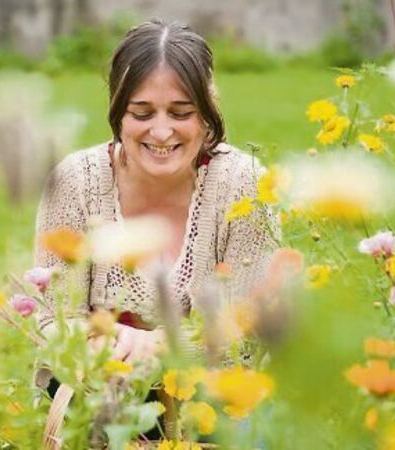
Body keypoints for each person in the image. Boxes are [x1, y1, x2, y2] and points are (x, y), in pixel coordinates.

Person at [34, 19, 278, 380]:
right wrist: (110, 344)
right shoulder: (75, 181)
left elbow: (249, 328)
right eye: (142, 113)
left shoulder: (244, 184)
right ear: (118, 112)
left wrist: (160, 346)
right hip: (99, 391)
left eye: (181, 113)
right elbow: (52, 318)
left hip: (215, 396)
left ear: (207, 114)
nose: (161, 132)